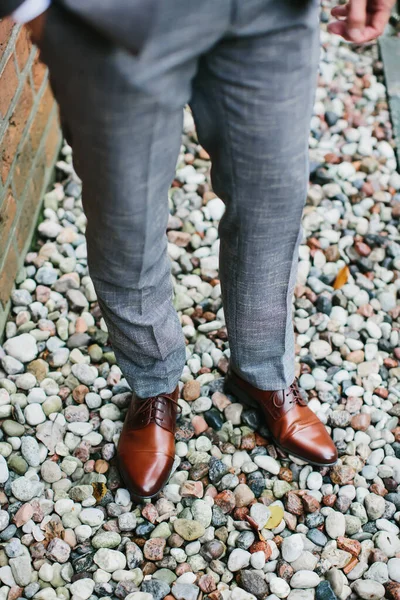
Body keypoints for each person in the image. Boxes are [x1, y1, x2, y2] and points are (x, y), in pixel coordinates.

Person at [3, 0, 395, 500]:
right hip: (112, 16)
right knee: (127, 219)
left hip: (273, 12)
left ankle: (263, 371)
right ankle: (152, 382)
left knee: (272, 198)